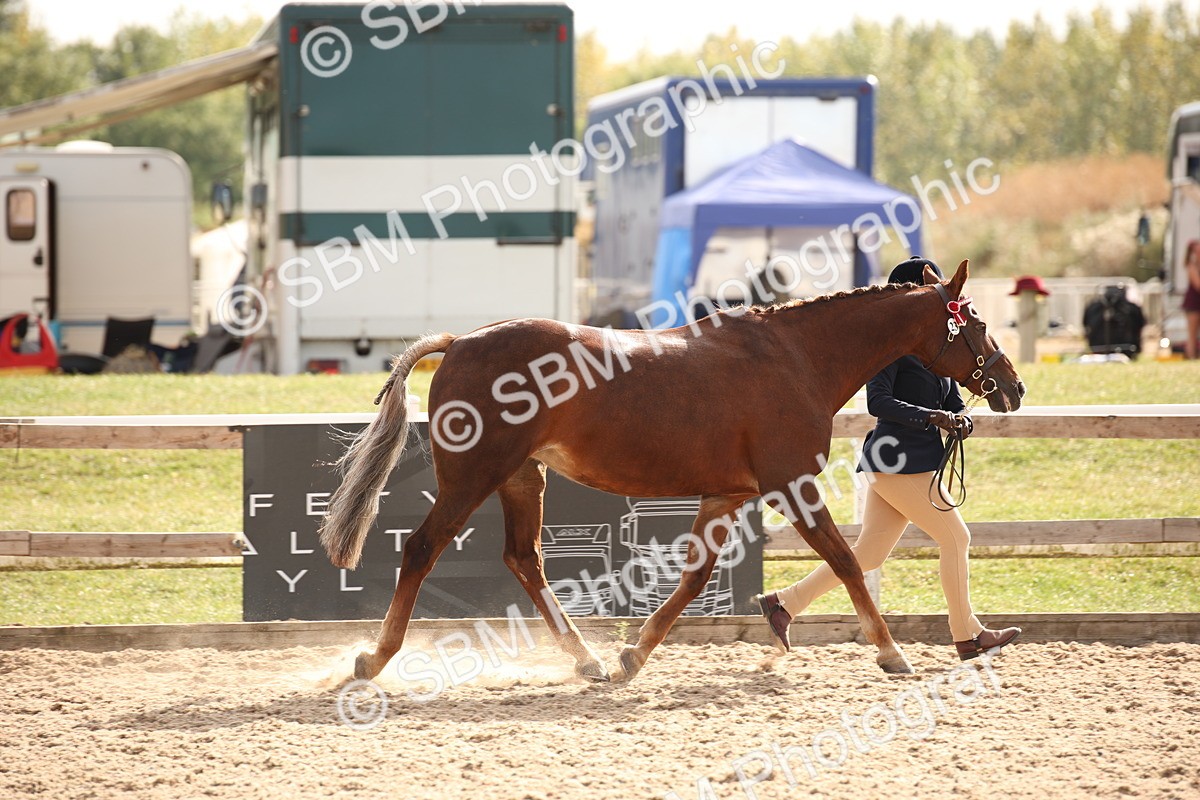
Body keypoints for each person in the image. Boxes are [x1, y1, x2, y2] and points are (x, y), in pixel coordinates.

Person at [755, 256, 1021, 662]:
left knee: (868, 555)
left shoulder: (938, 349)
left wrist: (960, 416)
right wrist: (932, 416)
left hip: (917, 461)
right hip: (896, 459)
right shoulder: (892, 352)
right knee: (956, 538)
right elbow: (878, 401)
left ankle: (783, 604)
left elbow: (951, 397)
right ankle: (967, 635)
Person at [1185, 241, 1200, 360]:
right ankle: (1191, 356)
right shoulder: (1191, 266)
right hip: (1193, 302)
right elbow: (1197, 285)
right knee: (1192, 333)